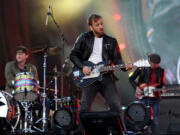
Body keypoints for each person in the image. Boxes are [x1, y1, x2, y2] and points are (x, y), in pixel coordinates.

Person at [70, 14, 131, 134]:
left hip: (106, 77)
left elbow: (118, 60)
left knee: (116, 106)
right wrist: (83, 67)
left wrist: (125, 67)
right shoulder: (84, 37)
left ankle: (120, 132)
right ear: (91, 27)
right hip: (88, 77)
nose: (101, 26)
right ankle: (81, 132)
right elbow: (73, 55)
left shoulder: (111, 40)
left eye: (102, 23)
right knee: (83, 108)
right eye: (97, 25)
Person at [4, 45, 50, 129]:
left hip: (29, 93)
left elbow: (35, 82)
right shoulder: (9, 65)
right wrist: (22, 85)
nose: (19, 55)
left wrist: (35, 87)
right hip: (13, 93)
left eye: (21, 53)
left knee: (46, 99)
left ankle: (42, 125)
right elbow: (10, 81)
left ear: (26, 56)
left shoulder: (32, 68)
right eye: (17, 53)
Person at [129, 53, 165, 135]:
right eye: (153, 64)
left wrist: (163, 90)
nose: (154, 66)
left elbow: (161, 85)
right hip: (143, 97)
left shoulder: (161, 71)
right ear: (150, 62)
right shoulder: (142, 68)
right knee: (142, 119)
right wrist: (137, 87)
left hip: (155, 99)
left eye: (156, 65)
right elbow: (131, 79)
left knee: (155, 120)